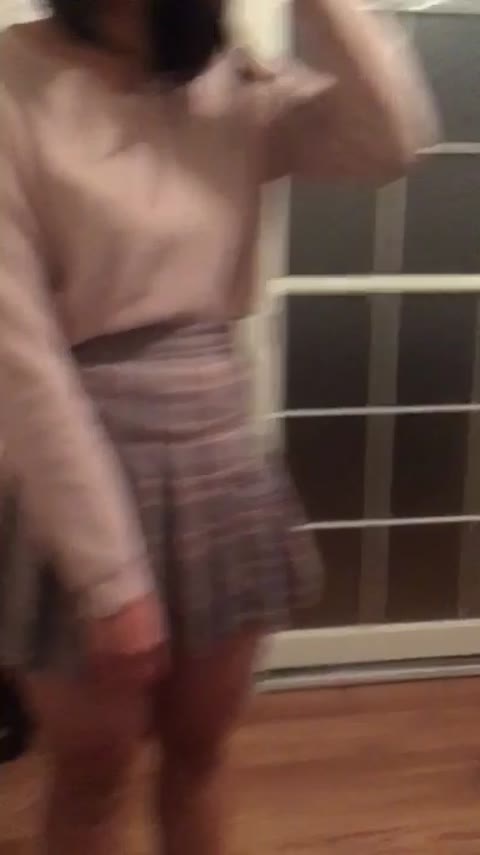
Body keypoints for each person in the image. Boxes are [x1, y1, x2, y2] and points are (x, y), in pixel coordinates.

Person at [0, 0, 437, 853]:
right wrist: (108, 575)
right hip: (74, 458)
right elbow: (18, 359)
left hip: (217, 449)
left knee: (200, 752)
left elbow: (391, 142)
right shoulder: (14, 80)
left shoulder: (228, 80)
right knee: (93, 770)